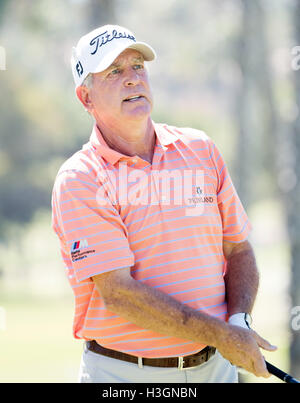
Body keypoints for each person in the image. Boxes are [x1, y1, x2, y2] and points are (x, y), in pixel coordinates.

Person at [51, 24, 277, 383]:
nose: (132, 79)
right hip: (125, 374)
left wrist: (238, 322)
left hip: (215, 368)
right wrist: (224, 336)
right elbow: (120, 294)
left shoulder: (200, 149)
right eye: (114, 72)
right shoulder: (81, 178)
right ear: (86, 98)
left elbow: (237, 250)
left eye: (138, 66)